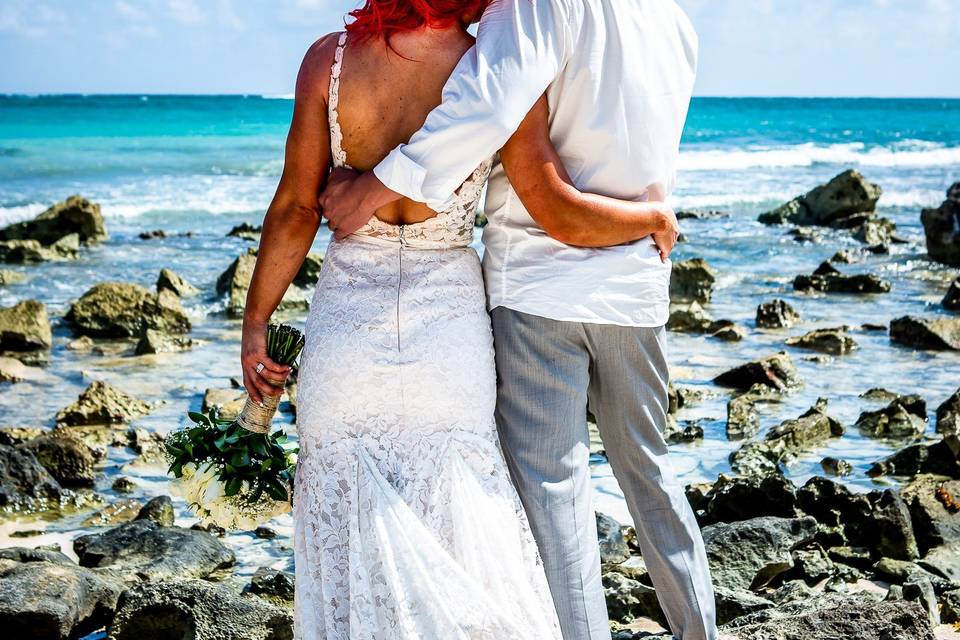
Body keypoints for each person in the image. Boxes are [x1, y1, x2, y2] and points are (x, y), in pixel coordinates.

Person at [240, 0, 680, 638]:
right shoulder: (491, 68)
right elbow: (551, 204)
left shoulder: (328, 62)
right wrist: (648, 218)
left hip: (346, 331)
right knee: (462, 523)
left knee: (345, 527)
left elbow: (295, 208)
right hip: (447, 331)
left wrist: (257, 325)